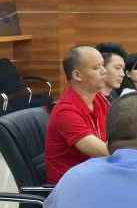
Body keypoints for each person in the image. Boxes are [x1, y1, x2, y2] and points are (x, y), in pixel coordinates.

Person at [44, 46, 110, 184]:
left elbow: (121, 128)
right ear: (77, 75)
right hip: (71, 186)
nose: (104, 71)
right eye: (96, 67)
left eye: (103, 65)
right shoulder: (65, 111)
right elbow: (103, 152)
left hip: (95, 174)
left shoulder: (99, 99)